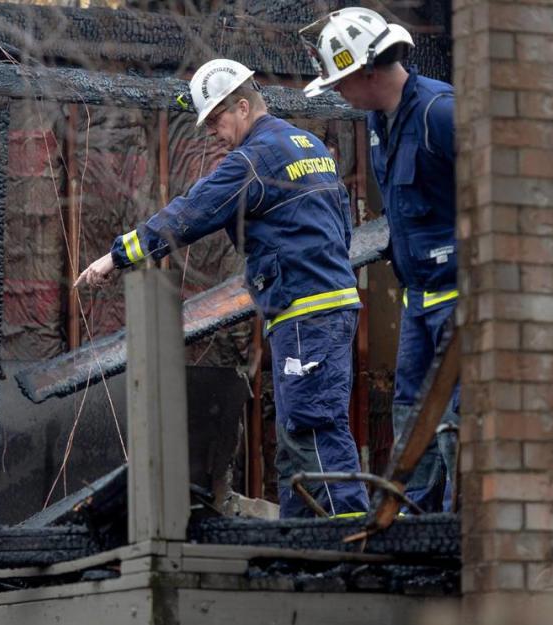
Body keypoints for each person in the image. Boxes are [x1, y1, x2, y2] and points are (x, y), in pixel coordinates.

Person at [74, 58, 369, 518]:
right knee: (296, 438)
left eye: (215, 120)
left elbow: (192, 212)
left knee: (314, 429)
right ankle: (299, 548)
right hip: (326, 305)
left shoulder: (255, 159)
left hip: (306, 311)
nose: (212, 133)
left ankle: (350, 545)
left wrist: (118, 256)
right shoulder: (307, 144)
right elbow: (341, 228)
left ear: (244, 107)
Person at [302, 7, 459, 511]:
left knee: (458, 423)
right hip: (419, 304)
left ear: (367, 72)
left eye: (341, 81)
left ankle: (465, 531)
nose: (339, 93)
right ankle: (416, 530)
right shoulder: (378, 123)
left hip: (462, 300)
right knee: (414, 424)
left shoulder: (441, 113)